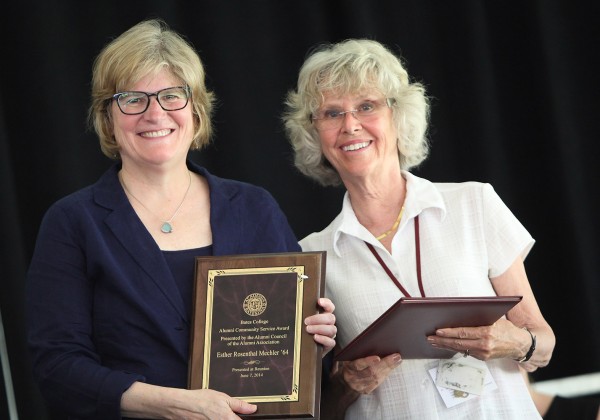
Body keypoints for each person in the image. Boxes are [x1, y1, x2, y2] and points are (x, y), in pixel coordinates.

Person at [26, 19, 336, 420]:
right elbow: (58, 367)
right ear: (108, 116)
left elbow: (298, 360)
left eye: (172, 96)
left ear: (196, 111)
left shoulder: (253, 208)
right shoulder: (73, 222)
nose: (155, 114)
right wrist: (171, 405)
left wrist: (315, 345)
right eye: (133, 99)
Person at [282, 38, 555, 419]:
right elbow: (316, 409)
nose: (350, 125)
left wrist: (515, 343)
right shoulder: (312, 255)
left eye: (366, 106)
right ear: (313, 132)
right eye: (331, 113)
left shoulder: (473, 204)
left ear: (398, 115)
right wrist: (345, 385)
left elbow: (543, 343)